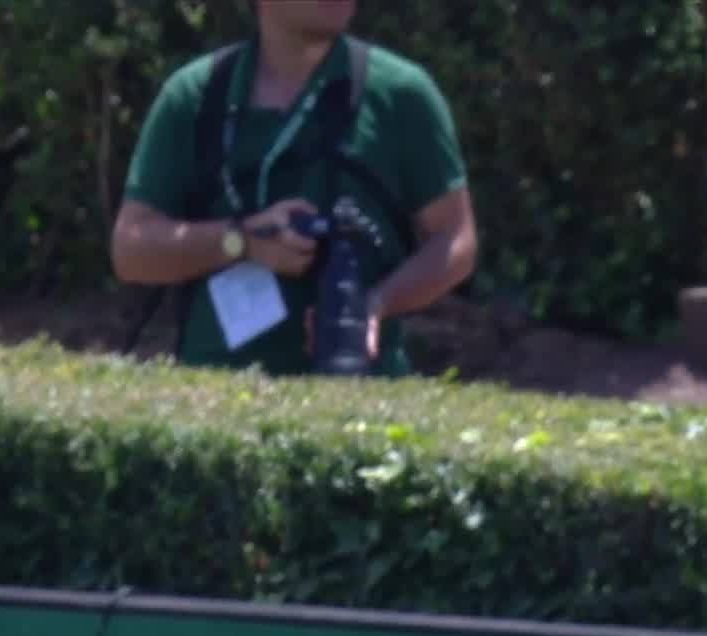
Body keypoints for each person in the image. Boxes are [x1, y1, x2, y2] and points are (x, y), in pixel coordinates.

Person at [110, 0, 478, 376]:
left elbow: (455, 241)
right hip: (215, 392)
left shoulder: (401, 94)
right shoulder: (196, 95)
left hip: (362, 389)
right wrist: (242, 242)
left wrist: (374, 304)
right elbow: (131, 250)